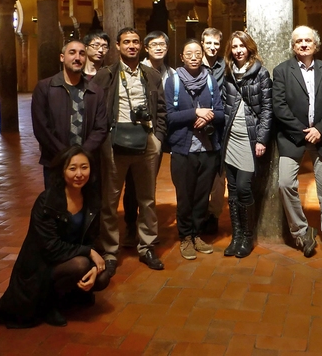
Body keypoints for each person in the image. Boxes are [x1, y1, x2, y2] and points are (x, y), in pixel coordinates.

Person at [0, 145, 111, 328]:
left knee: (102, 277)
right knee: (81, 264)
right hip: (41, 264)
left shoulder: (91, 198)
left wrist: (95, 265)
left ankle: (68, 296)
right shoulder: (47, 201)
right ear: (62, 171)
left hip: (69, 256)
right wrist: (88, 253)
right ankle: (48, 304)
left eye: (84, 167)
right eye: (72, 168)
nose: (79, 174)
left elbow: (92, 238)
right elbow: (50, 248)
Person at [92, 27, 167, 275]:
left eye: (135, 42)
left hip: (146, 142)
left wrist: (157, 138)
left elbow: (163, 111)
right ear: (118, 46)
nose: (132, 46)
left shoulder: (151, 75)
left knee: (147, 199)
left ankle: (146, 247)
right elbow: (94, 109)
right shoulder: (106, 75)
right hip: (114, 143)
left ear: (141, 46)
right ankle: (111, 251)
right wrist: (102, 138)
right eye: (127, 42)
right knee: (110, 201)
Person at [273, 26, 322, 266]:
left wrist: (320, 130)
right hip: (292, 136)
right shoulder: (282, 71)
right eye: (298, 41)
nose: (303, 44)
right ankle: (302, 233)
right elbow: (279, 106)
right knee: (285, 183)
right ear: (293, 46)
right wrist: (303, 132)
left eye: (308, 40)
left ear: (316, 44)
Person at [164, 39, 225, 260]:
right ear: (181, 57)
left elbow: (219, 113)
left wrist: (208, 115)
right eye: (188, 53)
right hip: (183, 149)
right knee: (185, 196)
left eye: (197, 53)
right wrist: (196, 113)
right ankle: (185, 237)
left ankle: (197, 234)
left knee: (202, 196)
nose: (193, 57)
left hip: (208, 149)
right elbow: (170, 116)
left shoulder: (210, 80)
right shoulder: (173, 82)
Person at [221, 30, 273, 258]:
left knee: (243, 187)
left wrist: (262, 138)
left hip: (249, 139)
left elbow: (268, 110)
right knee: (231, 190)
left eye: (241, 46)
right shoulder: (228, 73)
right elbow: (224, 104)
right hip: (230, 137)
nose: (238, 50)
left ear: (249, 48)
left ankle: (248, 237)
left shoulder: (261, 73)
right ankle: (236, 236)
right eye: (234, 47)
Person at [120, 30, 174, 248]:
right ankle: (131, 226)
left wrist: (159, 137)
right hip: (133, 135)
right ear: (146, 48)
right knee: (132, 184)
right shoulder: (139, 70)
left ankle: (147, 229)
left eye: (162, 44)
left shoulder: (172, 74)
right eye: (154, 45)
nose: (159, 48)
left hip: (155, 136)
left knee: (148, 184)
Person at [31, 39, 109, 187]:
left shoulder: (95, 91)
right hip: (55, 161)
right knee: (57, 206)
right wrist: (66, 157)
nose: (77, 58)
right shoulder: (45, 88)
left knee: (88, 207)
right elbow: (42, 129)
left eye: (82, 54)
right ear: (62, 57)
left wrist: (81, 156)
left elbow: (101, 127)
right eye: (72, 53)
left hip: (87, 164)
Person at [201, 27, 225, 235]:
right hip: (198, 126)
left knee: (219, 176)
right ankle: (198, 214)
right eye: (209, 43)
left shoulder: (224, 66)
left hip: (219, 127)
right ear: (202, 44)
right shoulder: (193, 64)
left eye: (216, 43)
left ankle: (213, 216)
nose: (212, 47)